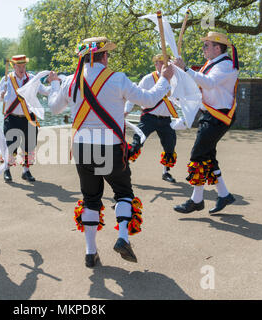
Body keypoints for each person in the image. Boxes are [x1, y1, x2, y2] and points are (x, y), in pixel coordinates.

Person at [47, 37, 173, 267]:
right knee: (123, 192)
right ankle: (123, 237)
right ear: (104, 56)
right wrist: (164, 79)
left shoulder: (71, 81)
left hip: (82, 146)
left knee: (91, 198)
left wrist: (56, 84)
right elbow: (148, 100)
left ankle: (90, 252)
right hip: (110, 146)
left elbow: (54, 108)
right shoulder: (117, 79)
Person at [173, 31, 239, 214]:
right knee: (208, 156)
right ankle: (224, 195)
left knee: (198, 154)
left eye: (206, 45)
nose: (203, 48)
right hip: (210, 115)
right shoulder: (213, 63)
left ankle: (197, 200)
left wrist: (186, 69)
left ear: (218, 48)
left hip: (219, 116)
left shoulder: (225, 65)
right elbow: (199, 84)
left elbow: (209, 83)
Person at [0, 54, 50, 183]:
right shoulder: (7, 79)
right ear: (13, 66)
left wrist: (54, 83)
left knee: (29, 145)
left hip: (28, 117)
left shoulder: (32, 79)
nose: (21, 69)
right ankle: (7, 169)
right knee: (11, 146)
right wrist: (1, 95)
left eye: (23, 66)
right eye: (19, 66)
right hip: (12, 117)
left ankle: (26, 171)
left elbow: (44, 91)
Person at [125, 53, 179, 183]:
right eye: (160, 62)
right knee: (137, 143)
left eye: (165, 62)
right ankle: (124, 168)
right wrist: (126, 110)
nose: (163, 65)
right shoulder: (148, 79)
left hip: (166, 119)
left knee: (170, 146)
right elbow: (134, 94)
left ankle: (165, 172)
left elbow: (180, 98)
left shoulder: (175, 79)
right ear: (155, 64)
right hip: (148, 118)